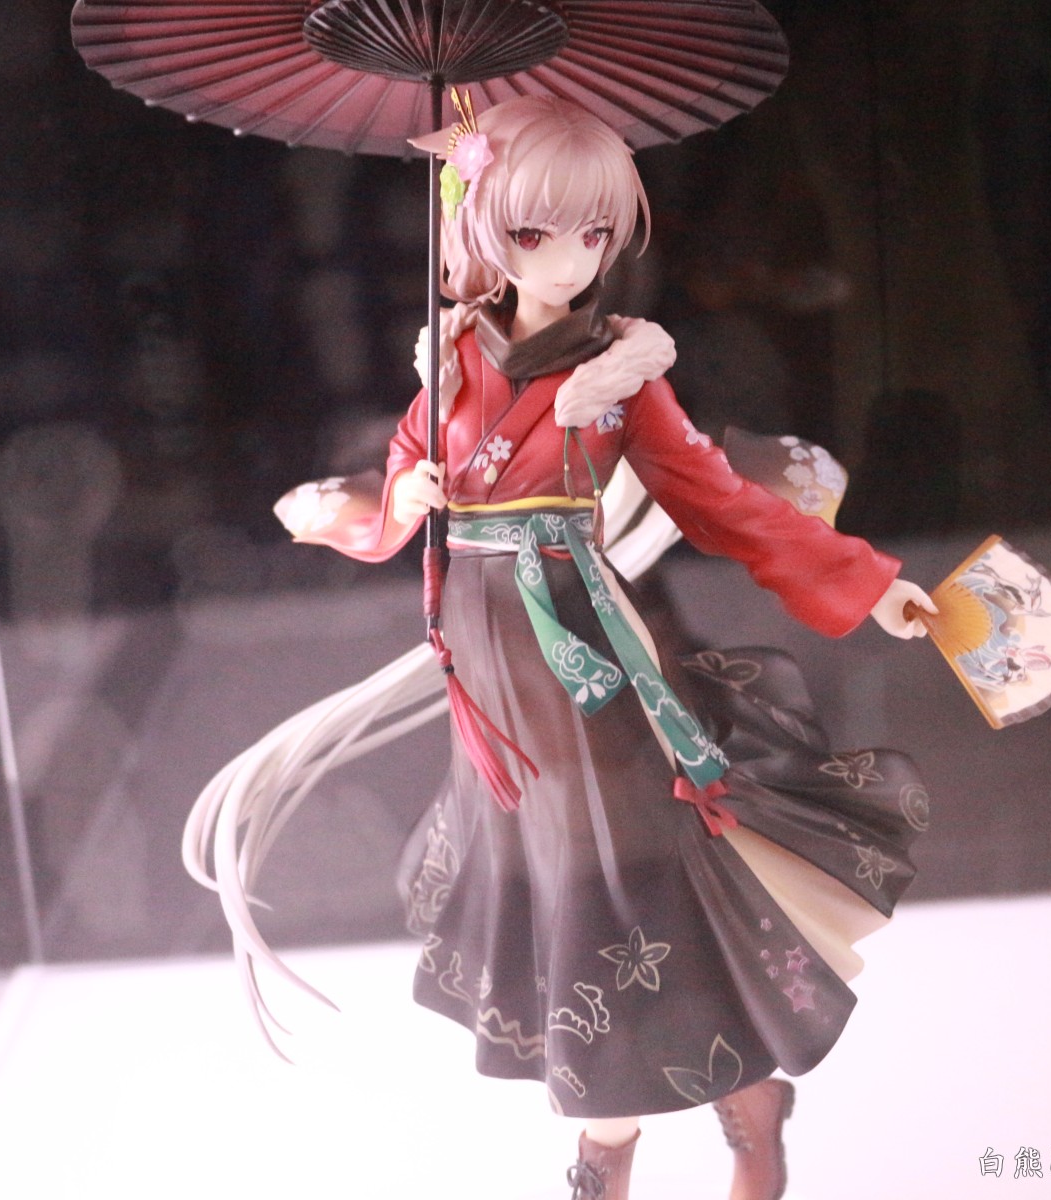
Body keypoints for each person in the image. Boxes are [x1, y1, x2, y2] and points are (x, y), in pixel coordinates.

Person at [242, 94, 937, 1200]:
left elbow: (717, 497)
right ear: (480, 228)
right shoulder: (451, 358)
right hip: (489, 669)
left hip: (586, 652)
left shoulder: (621, 372)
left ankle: (653, 1131)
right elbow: (401, 491)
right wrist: (398, 498)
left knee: (627, 878)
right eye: (535, 232)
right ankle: (693, 1112)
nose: (569, 258)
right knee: (551, 877)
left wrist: (869, 582)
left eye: (595, 233)